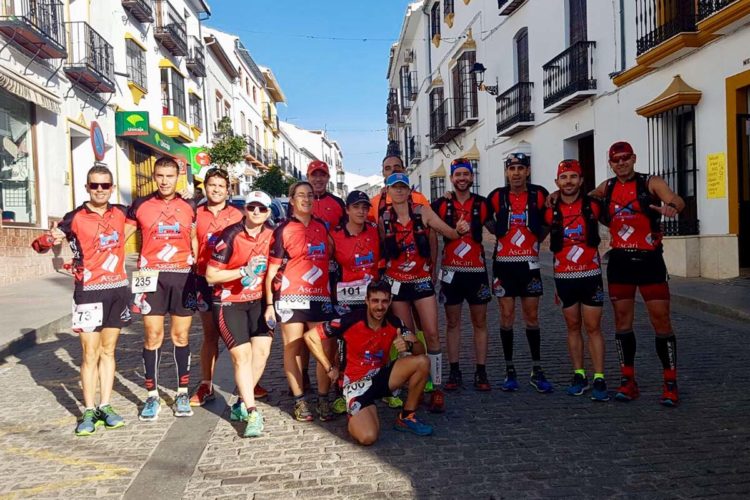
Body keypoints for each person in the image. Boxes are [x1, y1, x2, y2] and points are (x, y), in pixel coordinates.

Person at [31, 165, 130, 435]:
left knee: (108, 352)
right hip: (89, 291)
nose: (100, 190)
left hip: (117, 289)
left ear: (111, 187)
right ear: (87, 187)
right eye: (94, 185)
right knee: (89, 354)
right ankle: (88, 411)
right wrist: (48, 239)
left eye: (105, 185)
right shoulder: (74, 217)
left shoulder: (121, 212)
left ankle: (106, 405)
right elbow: (40, 246)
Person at [594, 141, 685, 406]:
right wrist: (556, 197)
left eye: (625, 158)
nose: (621, 163)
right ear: (610, 163)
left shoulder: (650, 182)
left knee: (661, 322)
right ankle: (627, 380)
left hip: (650, 262)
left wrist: (673, 207)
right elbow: (584, 197)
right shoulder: (607, 187)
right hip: (620, 262)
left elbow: (675, 199)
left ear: (634, 158)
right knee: (622, 323)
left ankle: (670, 383)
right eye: (615, 160)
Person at [379, 172, 470, 413]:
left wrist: (459, 230)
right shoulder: (383, 218)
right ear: (387, 192)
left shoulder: (423, 212)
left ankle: (436, 386)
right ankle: (415, 384)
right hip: (396, 284)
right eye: (394, 187)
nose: (399, 191)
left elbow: (449, 233)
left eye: (403, 187)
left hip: (420, 281)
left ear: (410, 191)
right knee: (407, 338)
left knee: (431, 334)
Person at [303, 280, 433, 445]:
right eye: (375, 301)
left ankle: (407, 417)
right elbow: (310, 337)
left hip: (381, 377)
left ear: (390, 302)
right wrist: (329, 367)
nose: (380, 307)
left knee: (422, 362)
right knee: (368, 437)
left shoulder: (395, 322)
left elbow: (421, 352)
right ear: (366, 301)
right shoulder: (350, 320)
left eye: (385, 301)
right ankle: (357, 412)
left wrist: (409, 344)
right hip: (356, 385)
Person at [126, 156, 198, 420]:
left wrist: (198, 270)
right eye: (160, 176)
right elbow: (120, 236)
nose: (165, 181)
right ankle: (152, 396)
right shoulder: (140, 204)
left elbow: (195, 239)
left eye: (170, 176)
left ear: (177, 176)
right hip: (150, 276)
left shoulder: (190, 205)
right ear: (154, 177)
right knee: (152, 336)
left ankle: (181, 392)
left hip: (182, 276)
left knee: (181, 337)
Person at [205, 191, 275, 437]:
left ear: (269, 212)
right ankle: (253, 411)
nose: (256, 212)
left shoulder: (272, 235)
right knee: (242, 357)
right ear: (245, 209)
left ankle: (240, 403)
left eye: (262, 208)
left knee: (262, 353)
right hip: (229, 302)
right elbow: (211, 276)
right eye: (252, 207)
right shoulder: (231, 234)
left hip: (258, 302)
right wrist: (242, 271)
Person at [266, 181, 336, 422]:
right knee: (293, 348)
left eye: (310, 195)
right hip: (291, 296)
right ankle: (299, 400)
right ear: (292, 200)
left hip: (319, 296)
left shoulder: (322, 227)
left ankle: (324, 398)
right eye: (300, 195)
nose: (306, 199)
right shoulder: (283, 229)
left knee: (324, 348)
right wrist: (268, 303)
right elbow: (271, 269)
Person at [486, 153, 552, 393]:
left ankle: (536, 368)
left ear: (528, 171)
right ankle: (509, 369)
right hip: (504, 263)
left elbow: (547, 223)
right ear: (506, 172)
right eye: (512, 168)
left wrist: (535, 241)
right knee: (506, 315)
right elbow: (484, 217)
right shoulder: (496, 196)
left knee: (532, 316)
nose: (516, 173)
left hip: (529, 265)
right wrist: (498, 234)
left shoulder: (539, 194)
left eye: (520, 168)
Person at [544, 160, 609, 402]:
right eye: (564, 177)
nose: (568, 182)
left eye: (573, 177)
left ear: (581, 180)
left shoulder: (593, 205)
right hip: (564, 278)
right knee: (572, 327)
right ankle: (579, 374)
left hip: (590, 276)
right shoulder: (550, 209)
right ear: (557, 182)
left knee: (593, 327)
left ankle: (599, 377)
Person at [431, 159, 492, 391]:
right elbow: (422, 217)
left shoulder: (484, 204)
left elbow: (501, 225)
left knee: (480, 322)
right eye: (458, 175)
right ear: (452, 179)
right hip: (451, 273)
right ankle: (454, 370)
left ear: (472, 177)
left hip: (476, 272)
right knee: (453, 323)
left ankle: (481, 371)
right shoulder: (440, 204)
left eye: (466, 174)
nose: (462, 178)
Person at [190, 168, 244, 407]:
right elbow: (191, 240)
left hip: (230, 280)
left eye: (221, 186)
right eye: (212, 185)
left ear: (228, 190)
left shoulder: (237, 214)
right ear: (205, 187)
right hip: (203, 278)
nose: (216, 189)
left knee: (237, 335)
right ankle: (206, 383)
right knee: (210, 333)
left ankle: (247, 384)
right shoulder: (195, 213)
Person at [329, 190, 383, 414]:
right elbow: (328, 266)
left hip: (371, 298)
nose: (361, 211)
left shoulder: (373, 230)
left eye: (364, 207)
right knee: (346, 346)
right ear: (347, 210)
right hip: (346, 299)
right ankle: (341, 390)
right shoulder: (335, 235)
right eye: (356, 207)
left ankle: (379, 387)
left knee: (376, 342)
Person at [368, 154, 429, 223]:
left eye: (397, 167)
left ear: (403, 170)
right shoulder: (374, 203)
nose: (393, 171)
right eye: (388, 168)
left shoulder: (418, 198)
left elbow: (431, 227)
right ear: (383, 173)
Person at [306, 160, 346, 230]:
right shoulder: (299, 202)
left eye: (322, 175)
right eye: (314, 175)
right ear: (308, 177)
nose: (318, 179)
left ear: (328, 178)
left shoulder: (338, 202)